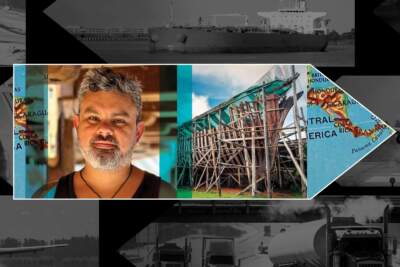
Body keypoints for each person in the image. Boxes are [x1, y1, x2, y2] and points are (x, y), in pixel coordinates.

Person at [46, 67, 176, 198]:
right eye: (93, 118)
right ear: (77, 125)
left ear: (138, 132)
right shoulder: (46, 197)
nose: (104, 129)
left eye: (119, 120)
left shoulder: (165, 196)